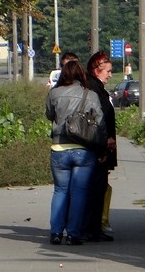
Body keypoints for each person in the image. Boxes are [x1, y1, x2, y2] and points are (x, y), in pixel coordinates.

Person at [45, 59, 105, 245]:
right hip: (84, 151)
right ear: (81, 74)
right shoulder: (91, 95)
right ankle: (73, 235)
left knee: (60, 191)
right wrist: (102, 148)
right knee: (79, 193)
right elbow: (100, 124)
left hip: (59, 149)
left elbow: (49, 115)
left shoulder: (54, 93)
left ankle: (55, 233)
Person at [84, 50, 117, 242]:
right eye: (108, 71)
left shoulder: (95, 88)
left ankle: (94, 227)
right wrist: (104, 145)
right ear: (97, 70)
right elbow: (99, 120)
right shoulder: (94, 90)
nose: (110, 75)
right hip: (98, 146)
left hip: (99, 145)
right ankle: (93, 228)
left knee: (98, 187)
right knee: (96, 188)